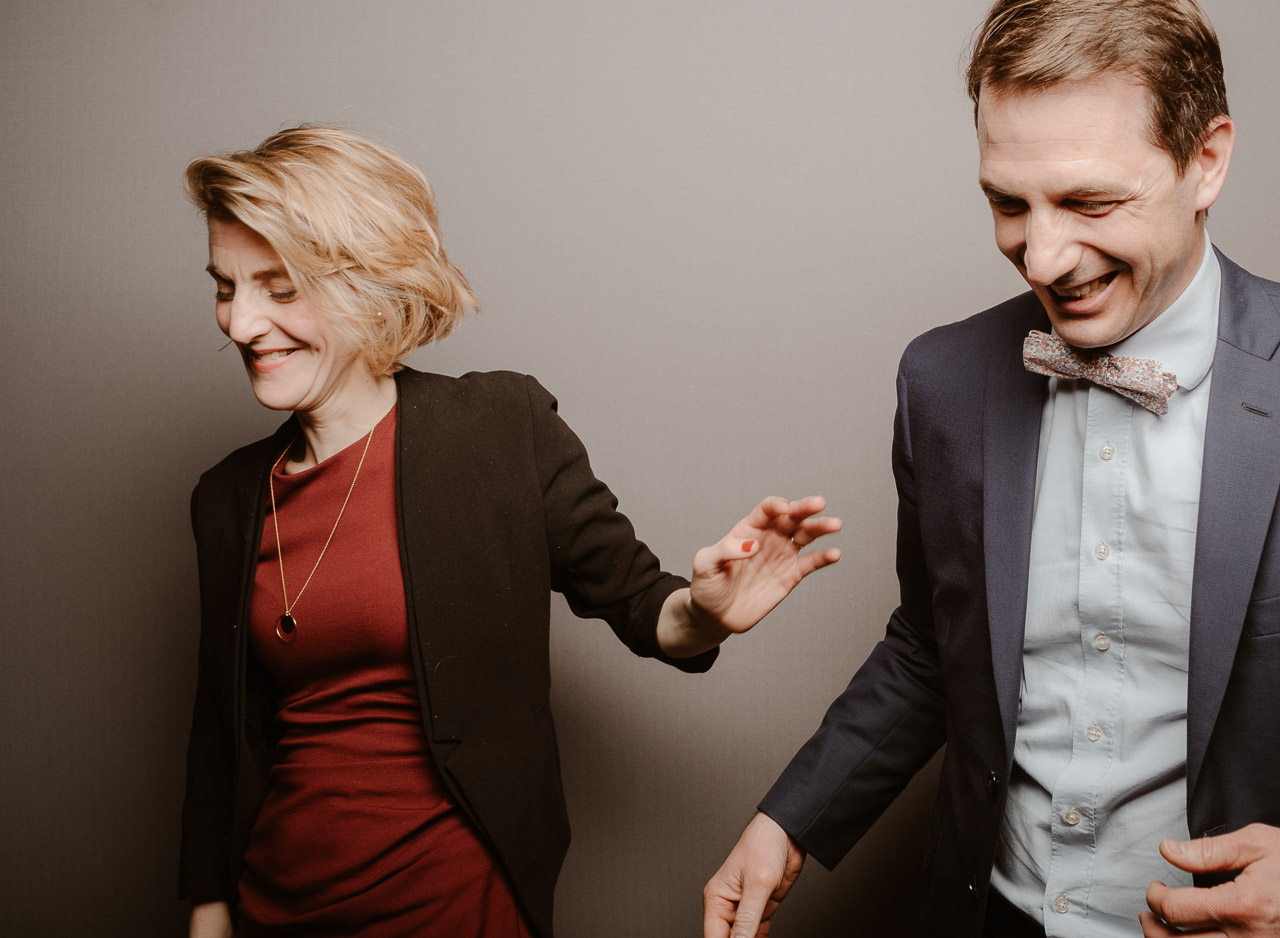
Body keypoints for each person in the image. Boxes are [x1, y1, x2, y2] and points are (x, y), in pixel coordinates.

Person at [704, 1, 1280, 936]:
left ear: (1206, 160)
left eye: (1089, 202)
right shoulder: (942, 380)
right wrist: (789, 817)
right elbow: (934, 646)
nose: (1041, 257)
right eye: (1008, 203)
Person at [177, 125, 842, 938]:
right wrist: (211, 919)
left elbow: (642, 604)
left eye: (279, 290)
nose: (241, 325)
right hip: (274, 908)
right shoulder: (225, 499)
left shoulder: (498, 428)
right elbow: (222, 744)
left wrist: (702, 611)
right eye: (226, 287)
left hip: (456, 907)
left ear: (371, 282)